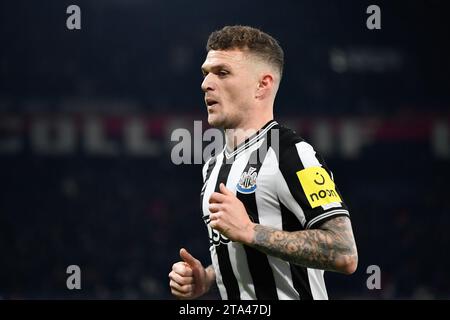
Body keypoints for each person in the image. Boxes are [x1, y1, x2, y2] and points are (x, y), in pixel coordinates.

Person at [169, 25, 358, 300]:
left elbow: (344, 252)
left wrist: (250, 230)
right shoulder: (212, 166)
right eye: (205, 73)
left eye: (222, 73)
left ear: (262, 85)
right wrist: (208, 278)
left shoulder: (292, 154)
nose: (206, 84)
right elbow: (243, 250)